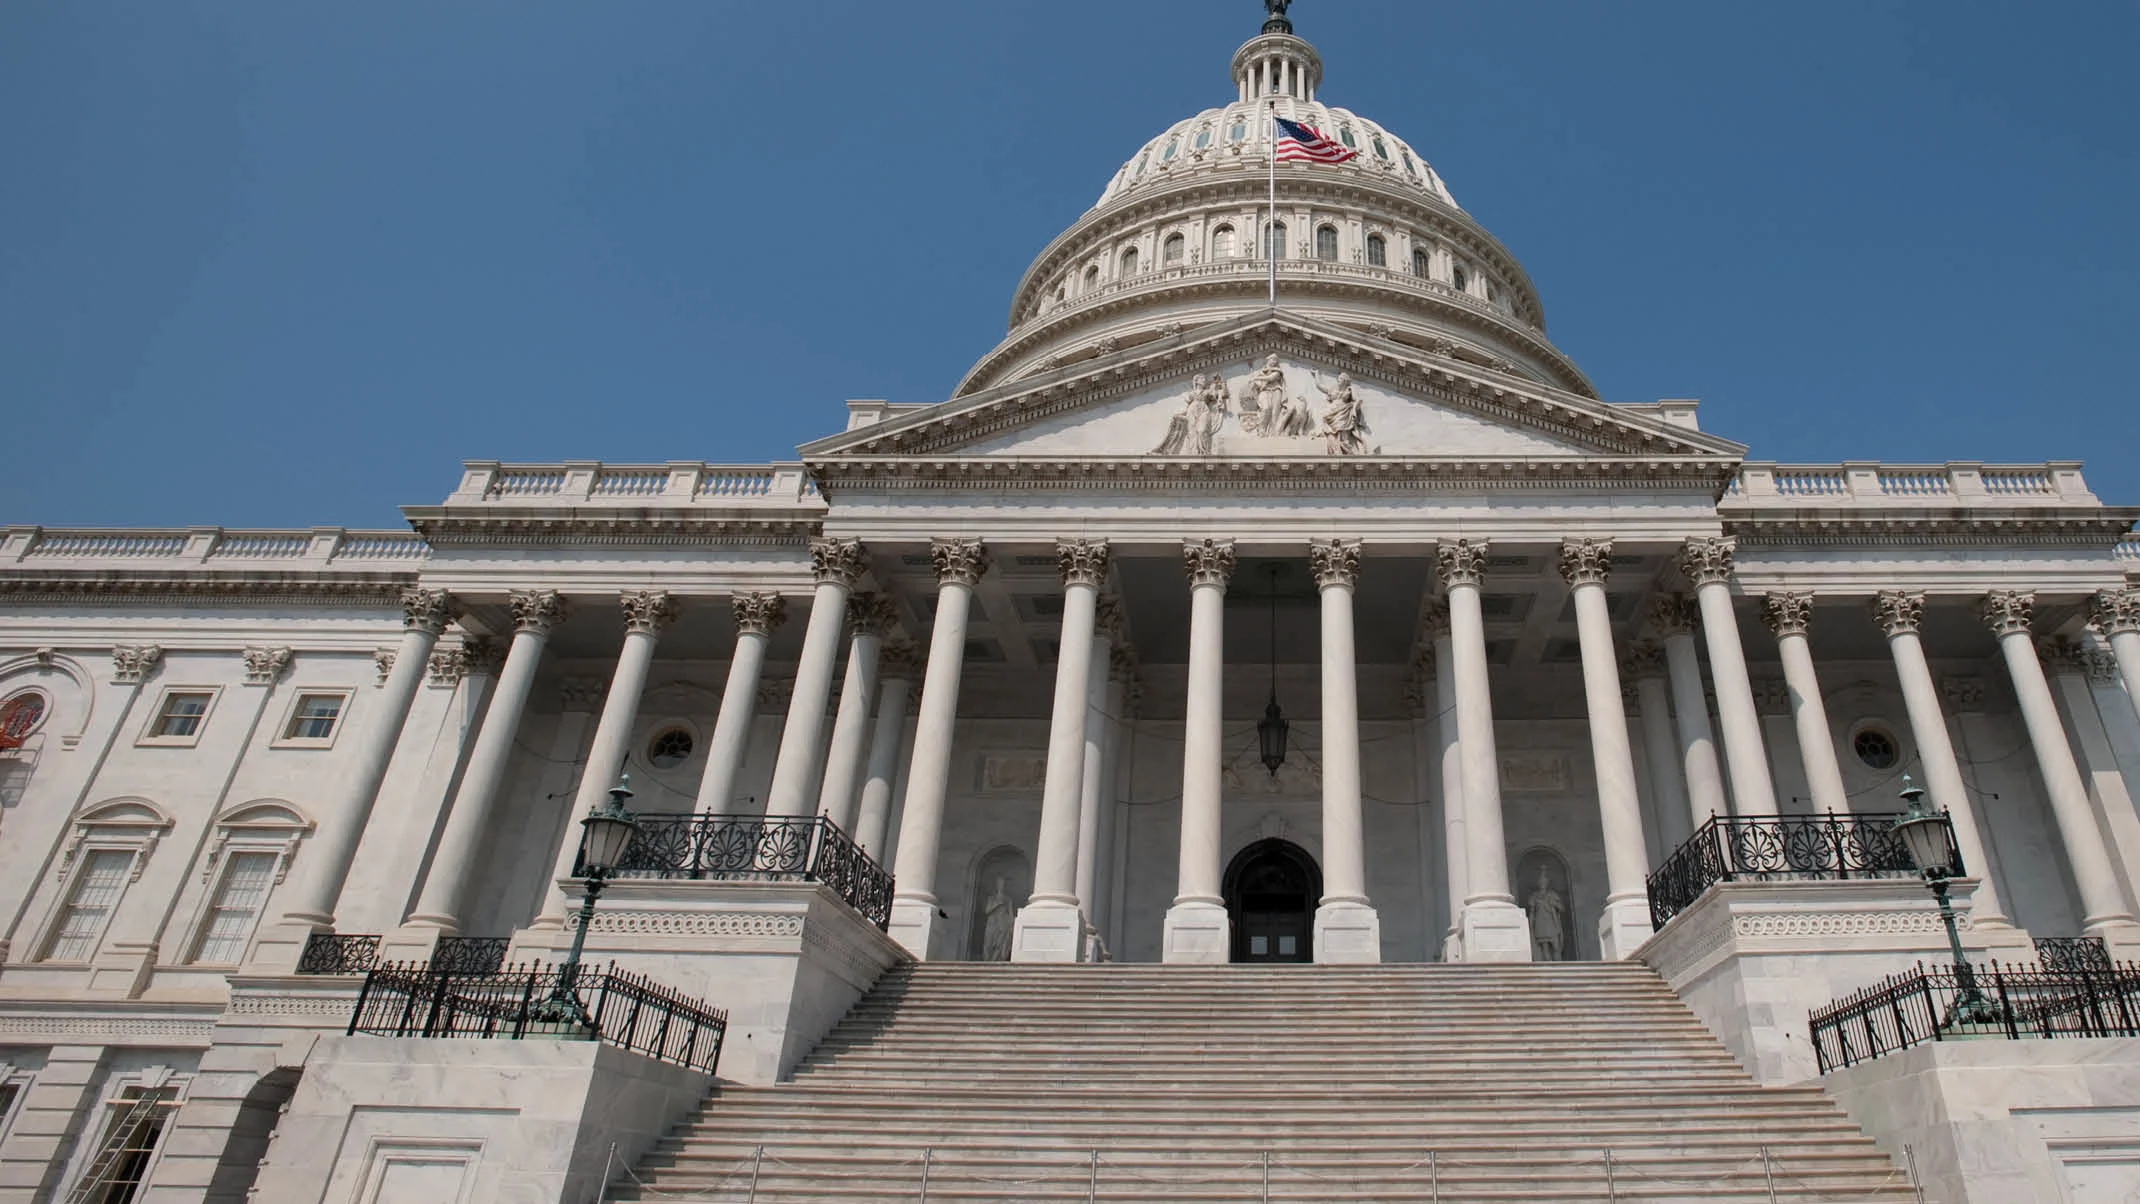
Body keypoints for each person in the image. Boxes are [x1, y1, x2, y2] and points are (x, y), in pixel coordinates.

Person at [1312, 371, 1370, 455]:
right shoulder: (1332, 389)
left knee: (1342, 429)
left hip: (1343, 412)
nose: (1338, 379)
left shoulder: (1350, 389)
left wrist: (1355, 408)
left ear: (1345, 381)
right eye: (1338, 378)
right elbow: (1319, 386)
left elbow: (1357, 399)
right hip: (1330, 412)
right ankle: (1336, 447)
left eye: (1341, 378)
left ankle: (1344, 445)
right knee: (1330, 430)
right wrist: (1316, 374)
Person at [1525, 868, 1566, 962]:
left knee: (1556, 946)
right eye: (1541, 882)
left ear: (1547, 883)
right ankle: (1549, 966)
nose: (1542, 884)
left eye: (1544, 882)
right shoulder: (1534, 896)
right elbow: (1532, 912)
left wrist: (1555, 904)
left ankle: (1559, 965)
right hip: (1540, 923)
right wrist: (1530, 926)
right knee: (1545, 947)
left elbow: (1562, 908)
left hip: (1552, 922)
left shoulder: (1552, 894)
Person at [981, 877, 1014, 961]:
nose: (1001, 886)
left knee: (1000, 944)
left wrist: (1012, 925)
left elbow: (1011, 914)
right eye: (999, 884)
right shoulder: (991, 898)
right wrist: (997, 904)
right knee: (988, 943)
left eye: (1003, 884)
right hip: (992, 923)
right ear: (996, 885)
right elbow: (987, 911)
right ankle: (986, 962)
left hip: (1003, 923)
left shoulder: (1008, 899)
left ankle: (994, 962)